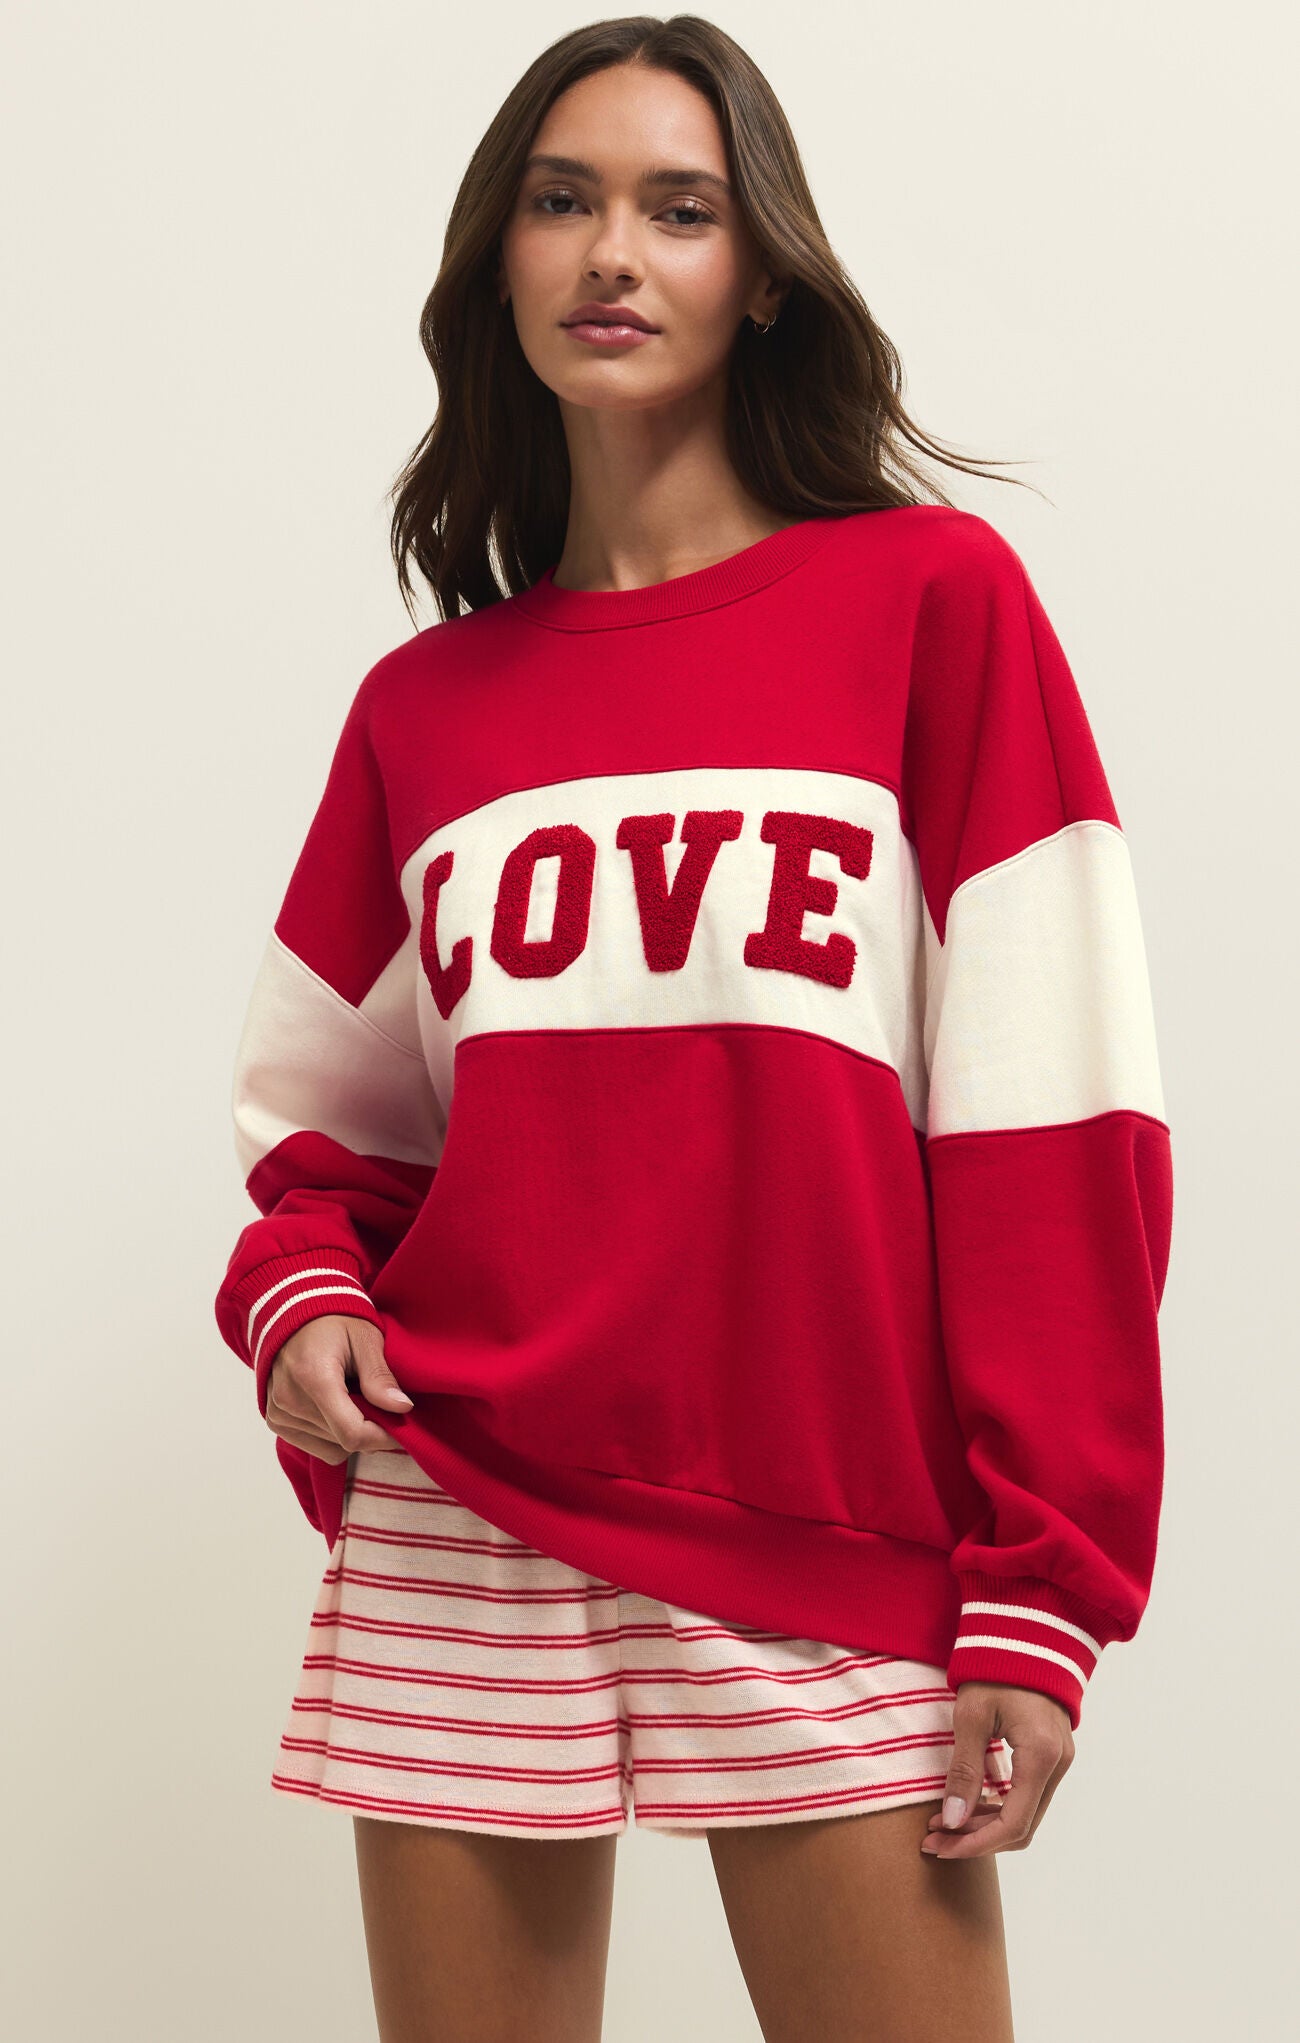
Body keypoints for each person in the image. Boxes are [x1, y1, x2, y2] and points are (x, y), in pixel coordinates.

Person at [214, 15, 1173, 2041]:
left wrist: (1042, 1578)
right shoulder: (426, 711)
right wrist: (303, 1291)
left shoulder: (933, 606)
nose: (610, 254)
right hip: (463, 1507)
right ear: (498, 262)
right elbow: (332, 1127)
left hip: (820, 1518)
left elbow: (1053, 1124)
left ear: (764, 277)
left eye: (679, 209)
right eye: (561, 202)